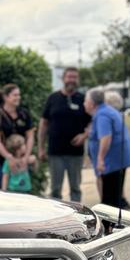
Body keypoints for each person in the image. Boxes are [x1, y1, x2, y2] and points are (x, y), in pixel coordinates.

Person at [38, 67, 89, 202]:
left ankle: (78, 218)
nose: (71, 80)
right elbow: (43, 124)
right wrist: (41, 148)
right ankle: (57, 219)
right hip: (55, 152)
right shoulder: (52, 98)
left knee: (76, 188)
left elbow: (93, 122)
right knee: (55, 189)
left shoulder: (83, 99)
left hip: (76, 153)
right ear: (63, 79)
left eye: (74, 77)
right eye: (69, 77)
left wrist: (84, 135)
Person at [84, 87, 130, 208]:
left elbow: (106, 137)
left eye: (85, 101)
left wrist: (100, 159)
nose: (84, 104)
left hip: (111, 163)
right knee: (115, 197)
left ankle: (110, 226)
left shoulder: (102, 115)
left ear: (92, 104)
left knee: (109, 202)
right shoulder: (107, 110)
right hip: (118, 160)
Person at [0, 84, 35, 189]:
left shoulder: (24, 114)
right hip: (0, 161)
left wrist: (26, 157)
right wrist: (9, 157)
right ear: (5, 97)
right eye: (15, 95)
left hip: (22, 160)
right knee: (2, 192)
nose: (18, 97)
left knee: (23, 192)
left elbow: (30, 136)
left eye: (19, 95)